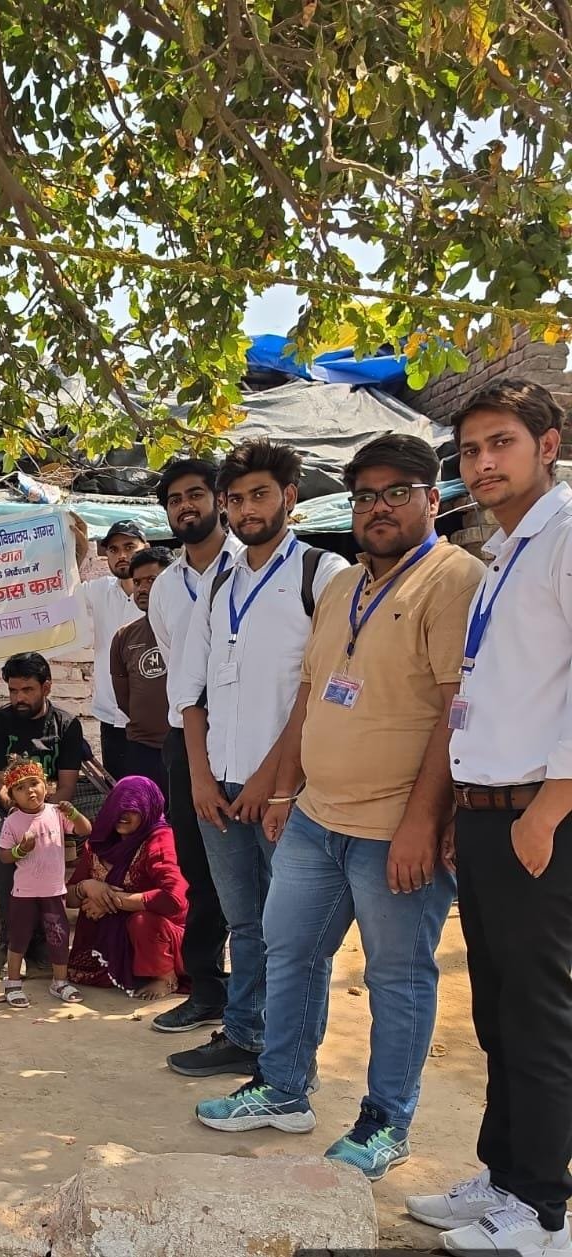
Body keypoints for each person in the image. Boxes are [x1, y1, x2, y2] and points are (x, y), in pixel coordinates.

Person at [194, 434, 481, 1182]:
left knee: (399, 977)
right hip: (318, 819)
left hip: (394, 830)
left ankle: (387, 1120)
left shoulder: (454, 580)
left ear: (433, 495)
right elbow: (310, 696)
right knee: (288, 951)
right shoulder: (343, 582)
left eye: (396, 492)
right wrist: (289, 790)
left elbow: (459, 712)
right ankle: (283, 1087)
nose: (377, 508)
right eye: (363, 496)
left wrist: (423, 820)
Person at [405, 380, 572, 1257]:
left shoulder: (566, 536)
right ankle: (504, 1175)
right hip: (488, 810)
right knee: (499, 1007)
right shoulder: (507, 549)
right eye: (470, 451)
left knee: (540, 1013)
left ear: (547, 444)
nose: (483, 463)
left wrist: (549, 808)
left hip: (541, 814)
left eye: (500, 443)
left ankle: (546, 1210)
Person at [167, 438, 348, 1079]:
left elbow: (318, 690)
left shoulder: (322, 575)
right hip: (218, 785)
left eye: (260, 495)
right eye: (236, 498)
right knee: (245, 923)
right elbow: (187, 692)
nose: (246, 510)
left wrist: (274, 786)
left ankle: (290, 1057)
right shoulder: (218, 580)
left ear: (290, 498)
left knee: (293, 934)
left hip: (289, 792)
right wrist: (199, 779)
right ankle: (243, 1035)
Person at [147, 459, 243, 1035]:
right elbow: (180, 667)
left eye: (196, 495)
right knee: (197, 864)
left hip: (253, 734)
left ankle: (258, 1002)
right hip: (188, 738)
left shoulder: (252, 566)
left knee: (259, 870)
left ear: (220, 500)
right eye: (175, 500)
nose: (186, 506)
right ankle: (207, 986)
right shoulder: (163, 586)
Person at [0, 652, 86, 953]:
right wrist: (19, 812)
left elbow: (66, 785)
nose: (19, 698)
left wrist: (41, 814)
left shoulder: (66, 725)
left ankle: (46, 935)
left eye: (27, 690)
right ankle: (12, 938)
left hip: (53, 807)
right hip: (10, 806)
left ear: (47, 687)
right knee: (2, 837)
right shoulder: (0, 722)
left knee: (48, 838)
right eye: (13, 690)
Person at [67, 775, 188, 1000]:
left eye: (132, 809)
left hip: (164, 935)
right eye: (118, 808)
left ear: (147, 809)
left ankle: (165, 976)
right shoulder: (101, 842)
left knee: (142, 921)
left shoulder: (159, 838)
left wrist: (111, 900)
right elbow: (68, 897)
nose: (123, 815)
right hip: (115, 932)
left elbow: (174, 898)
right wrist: (88, 887)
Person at [0, 760, 91, 1007]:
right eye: (20, 788)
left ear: (46, 785)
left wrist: (74, 813)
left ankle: (59, 982)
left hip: (54, 891)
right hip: (24, 893)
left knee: (58, 936)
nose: (30, 791)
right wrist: (21, 849)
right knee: (18, 938)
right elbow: (4, 855)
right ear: (12, 796)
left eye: (34, 783)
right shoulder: (13, 822)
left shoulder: (56, 813)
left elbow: (85, 829)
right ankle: (13, 983)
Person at [73, 517, 146, 779]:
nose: (122, 555)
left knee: (157, 799)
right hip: (110, 714)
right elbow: (62, 595)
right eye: (114, 550)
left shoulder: (162, 592)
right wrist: (78, 552)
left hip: (151, 719)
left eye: (129, 547)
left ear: (145, 547)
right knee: (120, 796)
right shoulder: (100, 590)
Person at [110, 547, 175, 784]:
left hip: (186, 746)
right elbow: (124, 699)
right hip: (141, 749)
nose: (143, 589)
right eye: (137, 582)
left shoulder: (191, 628)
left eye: (151, 580)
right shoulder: (124, 636)